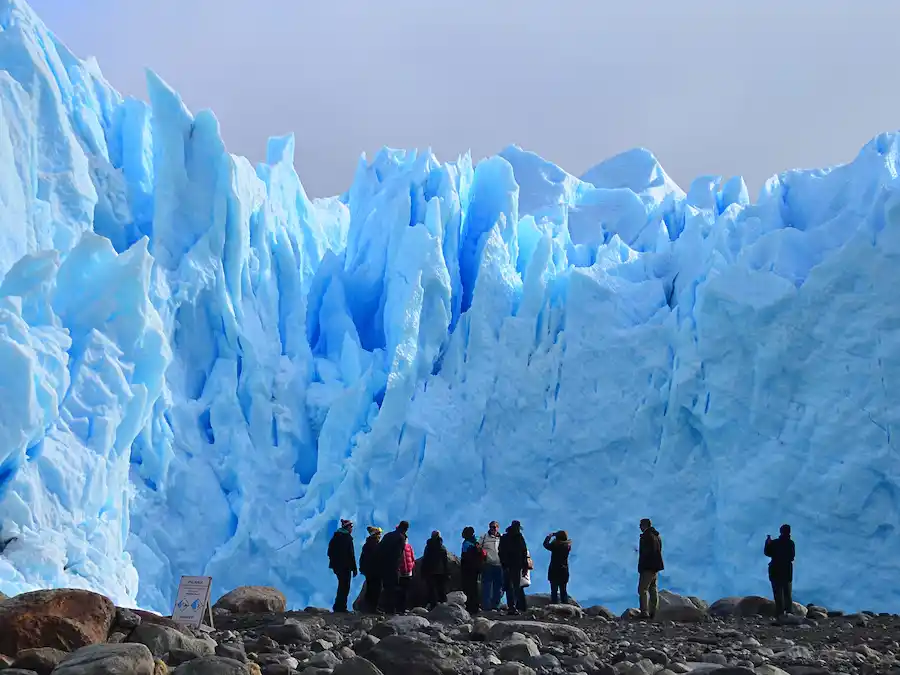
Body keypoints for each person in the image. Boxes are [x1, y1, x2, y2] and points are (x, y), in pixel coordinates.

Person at [377, 520, 409, 614]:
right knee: (394, 587)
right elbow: (400, 554)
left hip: (384, 565)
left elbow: (380, 549)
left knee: (386, 587)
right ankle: (392, 609)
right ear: (406, 529)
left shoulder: (388, 535)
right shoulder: (401, 538)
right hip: (394, 566)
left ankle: (386, 608)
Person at [327, 519, 357, 613]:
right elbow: (351, 554)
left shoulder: (335, 537)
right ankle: (341, 607)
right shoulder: (347, 538)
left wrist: (334, 563)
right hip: (345, 567)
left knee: (341, 585)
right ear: (347, 527)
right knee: (344, 587)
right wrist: (354, 568)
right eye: (351, 527)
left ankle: (338, 606)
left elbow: (330, 552)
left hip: (337, 567)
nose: (351, 529)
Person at [765, 524, 796, 616]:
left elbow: (767, 553)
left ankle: (779, 613)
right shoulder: (791, 543)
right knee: (787, 593)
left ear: (780, 531)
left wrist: (767, 543)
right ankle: (789, 613)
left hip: (775, 570)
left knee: (778, 593)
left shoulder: (775, 543)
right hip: (786, 571)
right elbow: (792, 557)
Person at [499, 520, 529, 615]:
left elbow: (500, 551)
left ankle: (511, 606)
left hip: (508, 565)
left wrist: (503, 563)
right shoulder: (520, 538)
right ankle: (515, 606)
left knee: (509, 587)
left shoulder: (505, 537)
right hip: (516, 566)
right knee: (515, 586)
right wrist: (525, 566)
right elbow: (524, 552)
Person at [638, 518, 664, 620]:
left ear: (645, 525)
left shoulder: (647, 537)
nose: (640, 527)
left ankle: (644, 612)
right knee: (652, 589)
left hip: (648, 567)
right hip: (655, 567)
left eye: (641, 525)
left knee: (642, 589)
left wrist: (642, 566)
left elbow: (646, 553)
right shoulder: (657, 536)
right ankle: (654, 612)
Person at [461, 526, 486, 615]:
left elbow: (465, 557)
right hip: (477, 567)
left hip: (469, 568)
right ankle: (476, 606)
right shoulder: (477, 541)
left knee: (470, 587)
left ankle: (471, 606)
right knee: (475, 587)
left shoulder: (466, 543)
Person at [422, 530, 450, 609]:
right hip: (441, 571)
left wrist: (423, 571)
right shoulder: (442, 547)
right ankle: (443, 604)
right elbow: (445, 561)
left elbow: (425, 559)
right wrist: (447, 572)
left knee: (432, 589)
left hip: (430, 571)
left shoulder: (428, 546)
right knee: (441, 588)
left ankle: (433, 605)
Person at [480, 521, 504, 611]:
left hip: (499, 564)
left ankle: (496, 605)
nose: (493, 529)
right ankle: (486, 606)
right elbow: (478, 546)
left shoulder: (502, 537)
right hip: (488, 564)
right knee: (487, 585)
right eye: (491, 527)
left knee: (498, 586)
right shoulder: (484, 537)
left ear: (498, 527)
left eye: (494, 527)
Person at [543, 530, 571, 604]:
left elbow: (545, 544)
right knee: (563, 590)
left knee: (554, 590)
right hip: (564, 570)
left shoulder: (555, 545)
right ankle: (565, 605)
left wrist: (549, 536)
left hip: (554, 570)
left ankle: (554, 605)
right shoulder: (567, 546)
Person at [359, 526, 383, 612]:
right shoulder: (376, 545)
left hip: (369, 571)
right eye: (379, 534)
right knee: (376, 589)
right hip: (375, 571)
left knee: (370, 589)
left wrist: (363, 569)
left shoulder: (367, 544)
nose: (380, 535)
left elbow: (363, 558)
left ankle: (367, 607)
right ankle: (373, 608)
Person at [397, 536, 416, 613]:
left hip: (408, 573)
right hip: (401, 573)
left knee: (406, 591)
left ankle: (404, 608)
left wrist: (412, 566)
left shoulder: (409, 547)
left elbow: (412, 557)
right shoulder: (398, 548)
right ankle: (400, 608)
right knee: (401, 592)